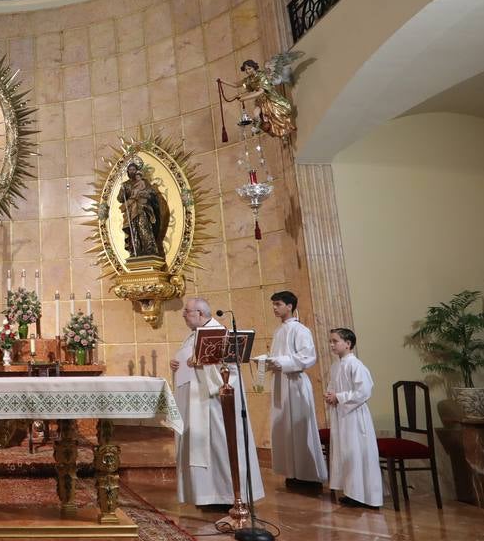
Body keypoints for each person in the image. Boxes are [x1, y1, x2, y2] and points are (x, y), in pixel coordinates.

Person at [169, 298, 263, 508]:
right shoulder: (194, 335)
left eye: (187, 311)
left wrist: (199, 363)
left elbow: (227, 369)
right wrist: (175, 365)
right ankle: (208, 495)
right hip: (197, 400)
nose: (183, 314)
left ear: (200, 313)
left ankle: (226, 495)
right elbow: (189, 362)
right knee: (204, 445)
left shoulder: (217, 333)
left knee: (219, 445)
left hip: (215, 404)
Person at [263, 291, 328, 487]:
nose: (275, 308)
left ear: (290, 306)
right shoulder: (279, 331)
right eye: (273, 304)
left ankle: (309, 476)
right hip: (281, 383)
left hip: (295, 384)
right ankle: (292, 472)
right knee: (285, 429)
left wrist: (280, 362)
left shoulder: (300, 330)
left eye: (278, 304)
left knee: (300, 430)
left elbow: (308, 357)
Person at [323, 328, 383, 509]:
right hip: (342, 416)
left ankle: (366, 496)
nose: (332, 344)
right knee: (347, 454)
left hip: (355, 416)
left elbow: (364, 391)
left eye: (335, 341)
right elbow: (332, 386)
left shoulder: (355, 365)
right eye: (331, 341)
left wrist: (339, 397)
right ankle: (351, 492)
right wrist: (330, 396)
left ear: (348, 344)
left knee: (357, 453)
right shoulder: (335, 366)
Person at [117, 159, 167, 260]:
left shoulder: (144, 182)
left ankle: (150, 250)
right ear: (127, 172)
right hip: (130, 212)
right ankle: (135, 250)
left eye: (134, 169)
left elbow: (151, 193)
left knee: (143, 227)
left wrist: (144, 194)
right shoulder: (125, 185)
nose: (132, 171)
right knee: (133, 230)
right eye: (130, 170)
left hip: (142, 209)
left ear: (137, 171)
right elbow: (120, 198)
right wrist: (123, 192)